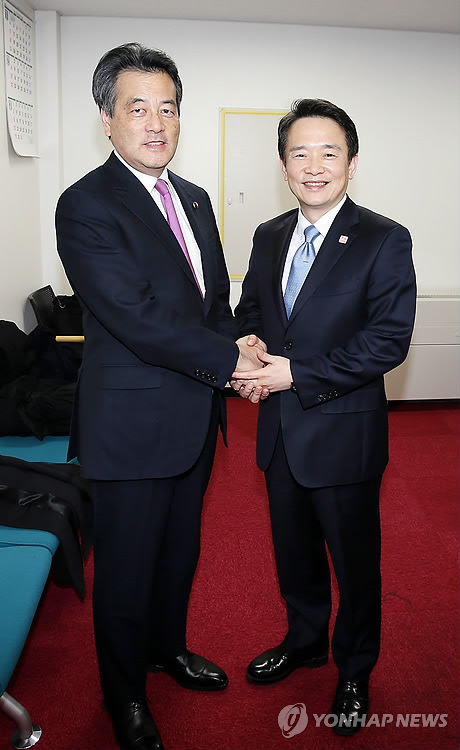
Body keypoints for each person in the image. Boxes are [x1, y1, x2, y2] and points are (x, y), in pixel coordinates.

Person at [55, 42, 261, 750]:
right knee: (126, 568)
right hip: (132, 424)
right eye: (137, 107)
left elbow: (212, 302)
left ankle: (167, 650)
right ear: (107, 119)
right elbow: (136, 318)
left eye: (167, 108)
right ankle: (124, 696)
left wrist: (235, 344)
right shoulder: (86, 204)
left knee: (178, 552)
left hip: (195, 415)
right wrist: (232, 362)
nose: (156, 122)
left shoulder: (194, 198)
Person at [233, 98, 416, 736]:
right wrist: (247, 345)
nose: (314, 166)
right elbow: (252, 311)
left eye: (328, 152)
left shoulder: (384, 239)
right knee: (294, 553)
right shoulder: (269, 235)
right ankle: (306, 639)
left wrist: (298, 374)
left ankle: (355, 667)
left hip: (343, 435)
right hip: (280, 433)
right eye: (299, 153)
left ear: (352, 162)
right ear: (283, 165)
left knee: (354, 562)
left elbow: (388, 341)